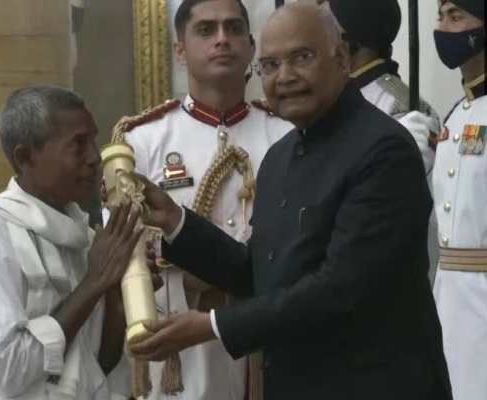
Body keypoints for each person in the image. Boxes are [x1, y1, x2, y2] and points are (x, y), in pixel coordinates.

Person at [130, 3, 451, 399]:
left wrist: (212, 325)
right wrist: (177, 221)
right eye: (269, 65)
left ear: (341, 60)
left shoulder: (382, 150)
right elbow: (263, 272)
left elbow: (339, 289)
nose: (285, 77)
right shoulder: (281, 156)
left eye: (302, 57)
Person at [110, 1, 292, 398]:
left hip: (263, 328)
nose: (222, 40)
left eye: (233, 29)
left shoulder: (285, 135)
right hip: (179, 328)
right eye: (206, 31)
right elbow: (124, 247)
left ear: (250, 45)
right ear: (180, 50)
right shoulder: (143, 140)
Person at [0, 85, 143, 400]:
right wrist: (93, 284)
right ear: (26, 157)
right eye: (78, 145)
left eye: (93, 141)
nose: (95, 157)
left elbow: (95, 371)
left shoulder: (88, 240)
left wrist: (117, 304)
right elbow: (8, 369)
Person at [431, 1, 486, 399]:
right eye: (439, 16)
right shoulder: (455, 114)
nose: (443, 27)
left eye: (455, 16)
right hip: (447, 296)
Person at [325, 0, 440, 173]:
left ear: (356, 37)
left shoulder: (403, 108)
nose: (315, 35)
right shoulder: (325, 95)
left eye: (328, 26)